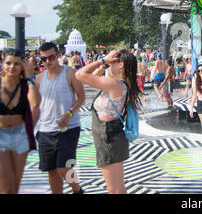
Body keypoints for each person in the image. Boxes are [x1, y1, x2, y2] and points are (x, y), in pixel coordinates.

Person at [75, 49, 142, 194]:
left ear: (121, 65)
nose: (110, 62)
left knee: (115, 189)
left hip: (109, 138)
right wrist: (105, 65)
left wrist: (103, 61)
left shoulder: (114, 84)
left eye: (114, 61)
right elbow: (93, 76)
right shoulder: (118, 84)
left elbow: (80, 75)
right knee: (117, 188)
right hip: (111, 136)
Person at [35, 42, 85, 194]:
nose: (48, 61)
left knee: (64, 168)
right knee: (51, 171)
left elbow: (81, 97)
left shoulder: (69, 73)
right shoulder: (38, 78)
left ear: (57, 56)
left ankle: (77, 190)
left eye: (51, 57)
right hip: (45, 129)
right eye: (43, 59)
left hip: (68, 128)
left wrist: (70, 113)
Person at [0, 50, 41, 194]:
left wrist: (30, 79)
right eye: (8, 63)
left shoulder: (25, 84)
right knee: (5, 187)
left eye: (17, 64)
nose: (12, 67)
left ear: (22, 66)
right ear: (3, 63)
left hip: (20, 135)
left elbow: (35, 103)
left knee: (15, 186)